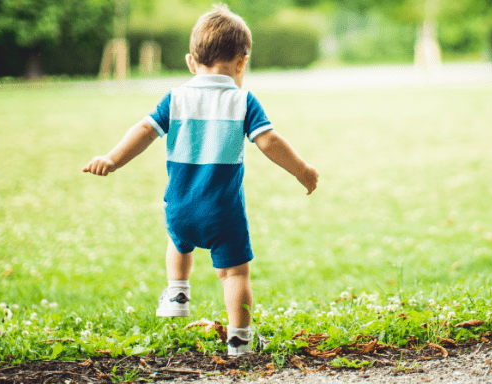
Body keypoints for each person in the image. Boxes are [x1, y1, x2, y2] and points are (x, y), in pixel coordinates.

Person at [81, 4, 318, 356]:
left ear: (192, 62)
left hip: (180, 206)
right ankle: (239, 341)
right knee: (235, 275)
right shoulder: (242, 100)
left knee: (178, 239)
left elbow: (145, 130)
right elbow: (269, 141)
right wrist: (303, 171)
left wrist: (112, 159)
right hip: (223, 212)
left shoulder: (175, 98)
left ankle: (177, 291)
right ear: (242, 63)